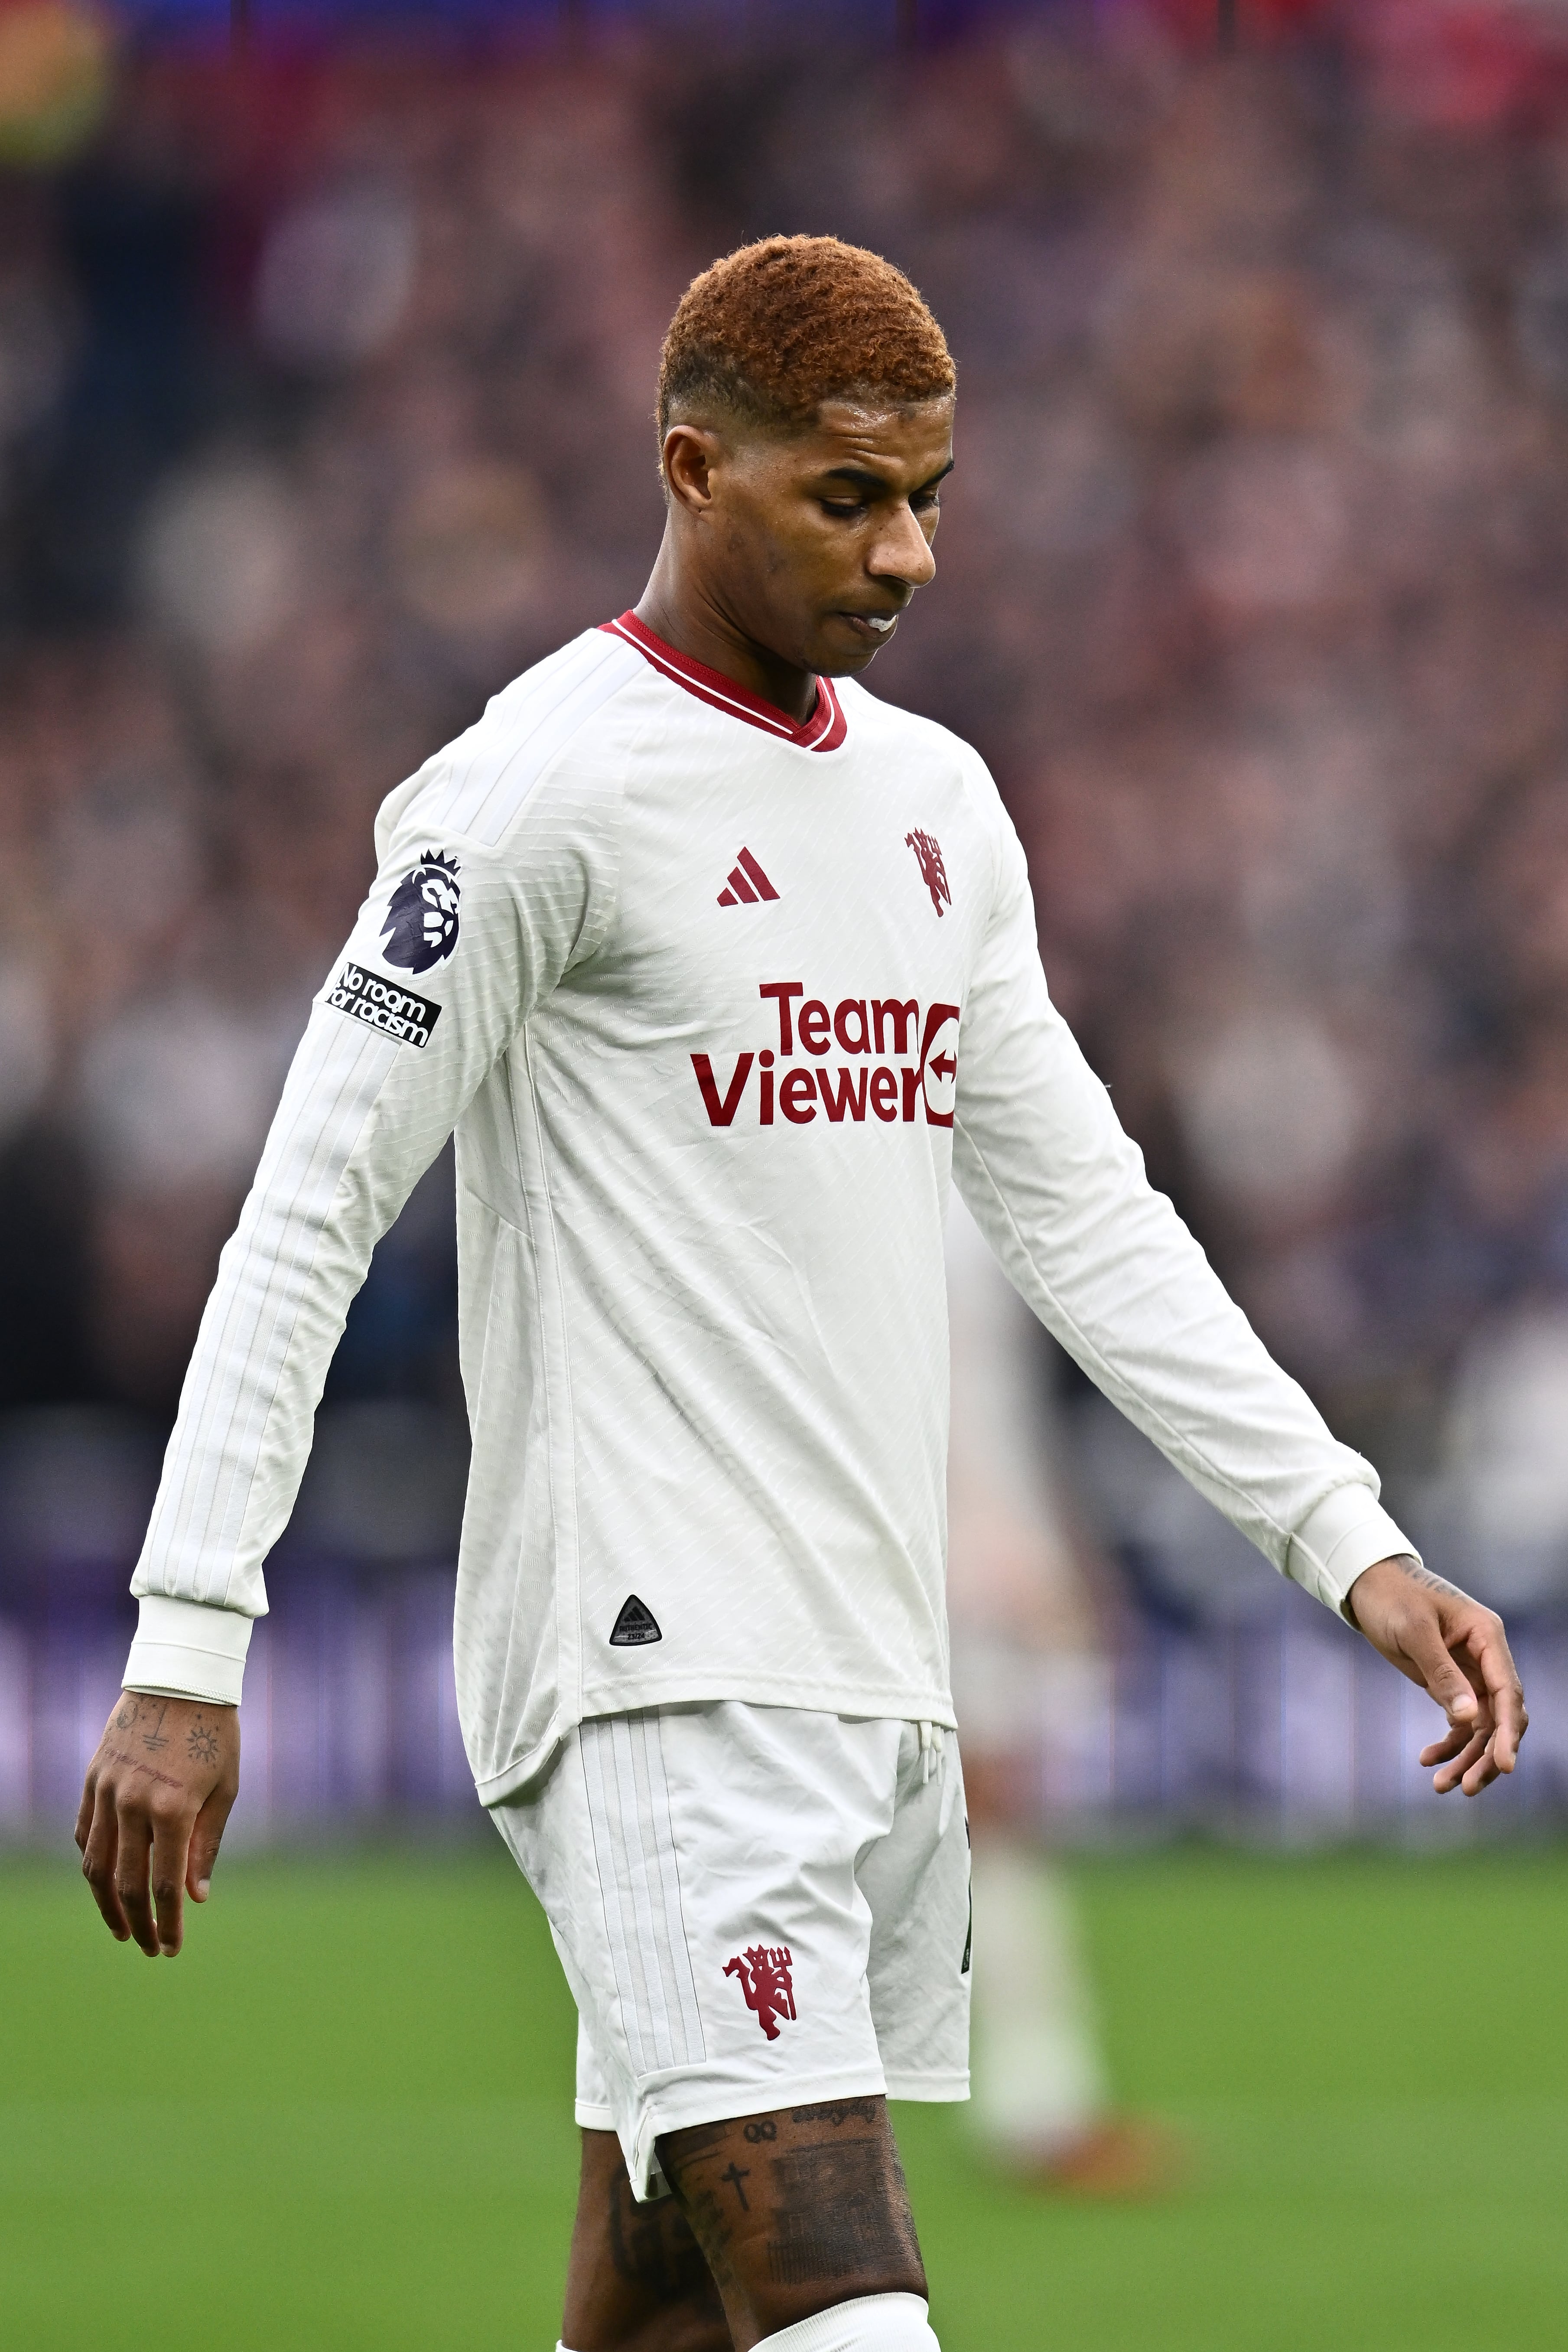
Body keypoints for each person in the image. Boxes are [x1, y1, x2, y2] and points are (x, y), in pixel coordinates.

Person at [75, 237, 1526, 2352]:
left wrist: (1343, 1533)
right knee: (851, 2304)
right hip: (654, 1667)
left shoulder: (935, 808)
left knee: (659, 2313)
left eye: (928, 491)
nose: (909, 548)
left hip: (864, 1663)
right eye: (848, 495)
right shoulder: (536, 793)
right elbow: (308, 1205)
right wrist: (187, 1636)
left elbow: (1084, 1212)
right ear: (691, 467)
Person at [945, 1191, 1174, 2196]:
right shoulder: (908, 1182)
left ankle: (1044, 2102)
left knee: (985, 1813)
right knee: (989, 1812)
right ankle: (1044, 2107)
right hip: (924, 1545)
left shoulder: (959, 1183)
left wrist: (1054, 1540)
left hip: (967, 1535)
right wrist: (1003, 1548)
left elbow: (999, 1404)